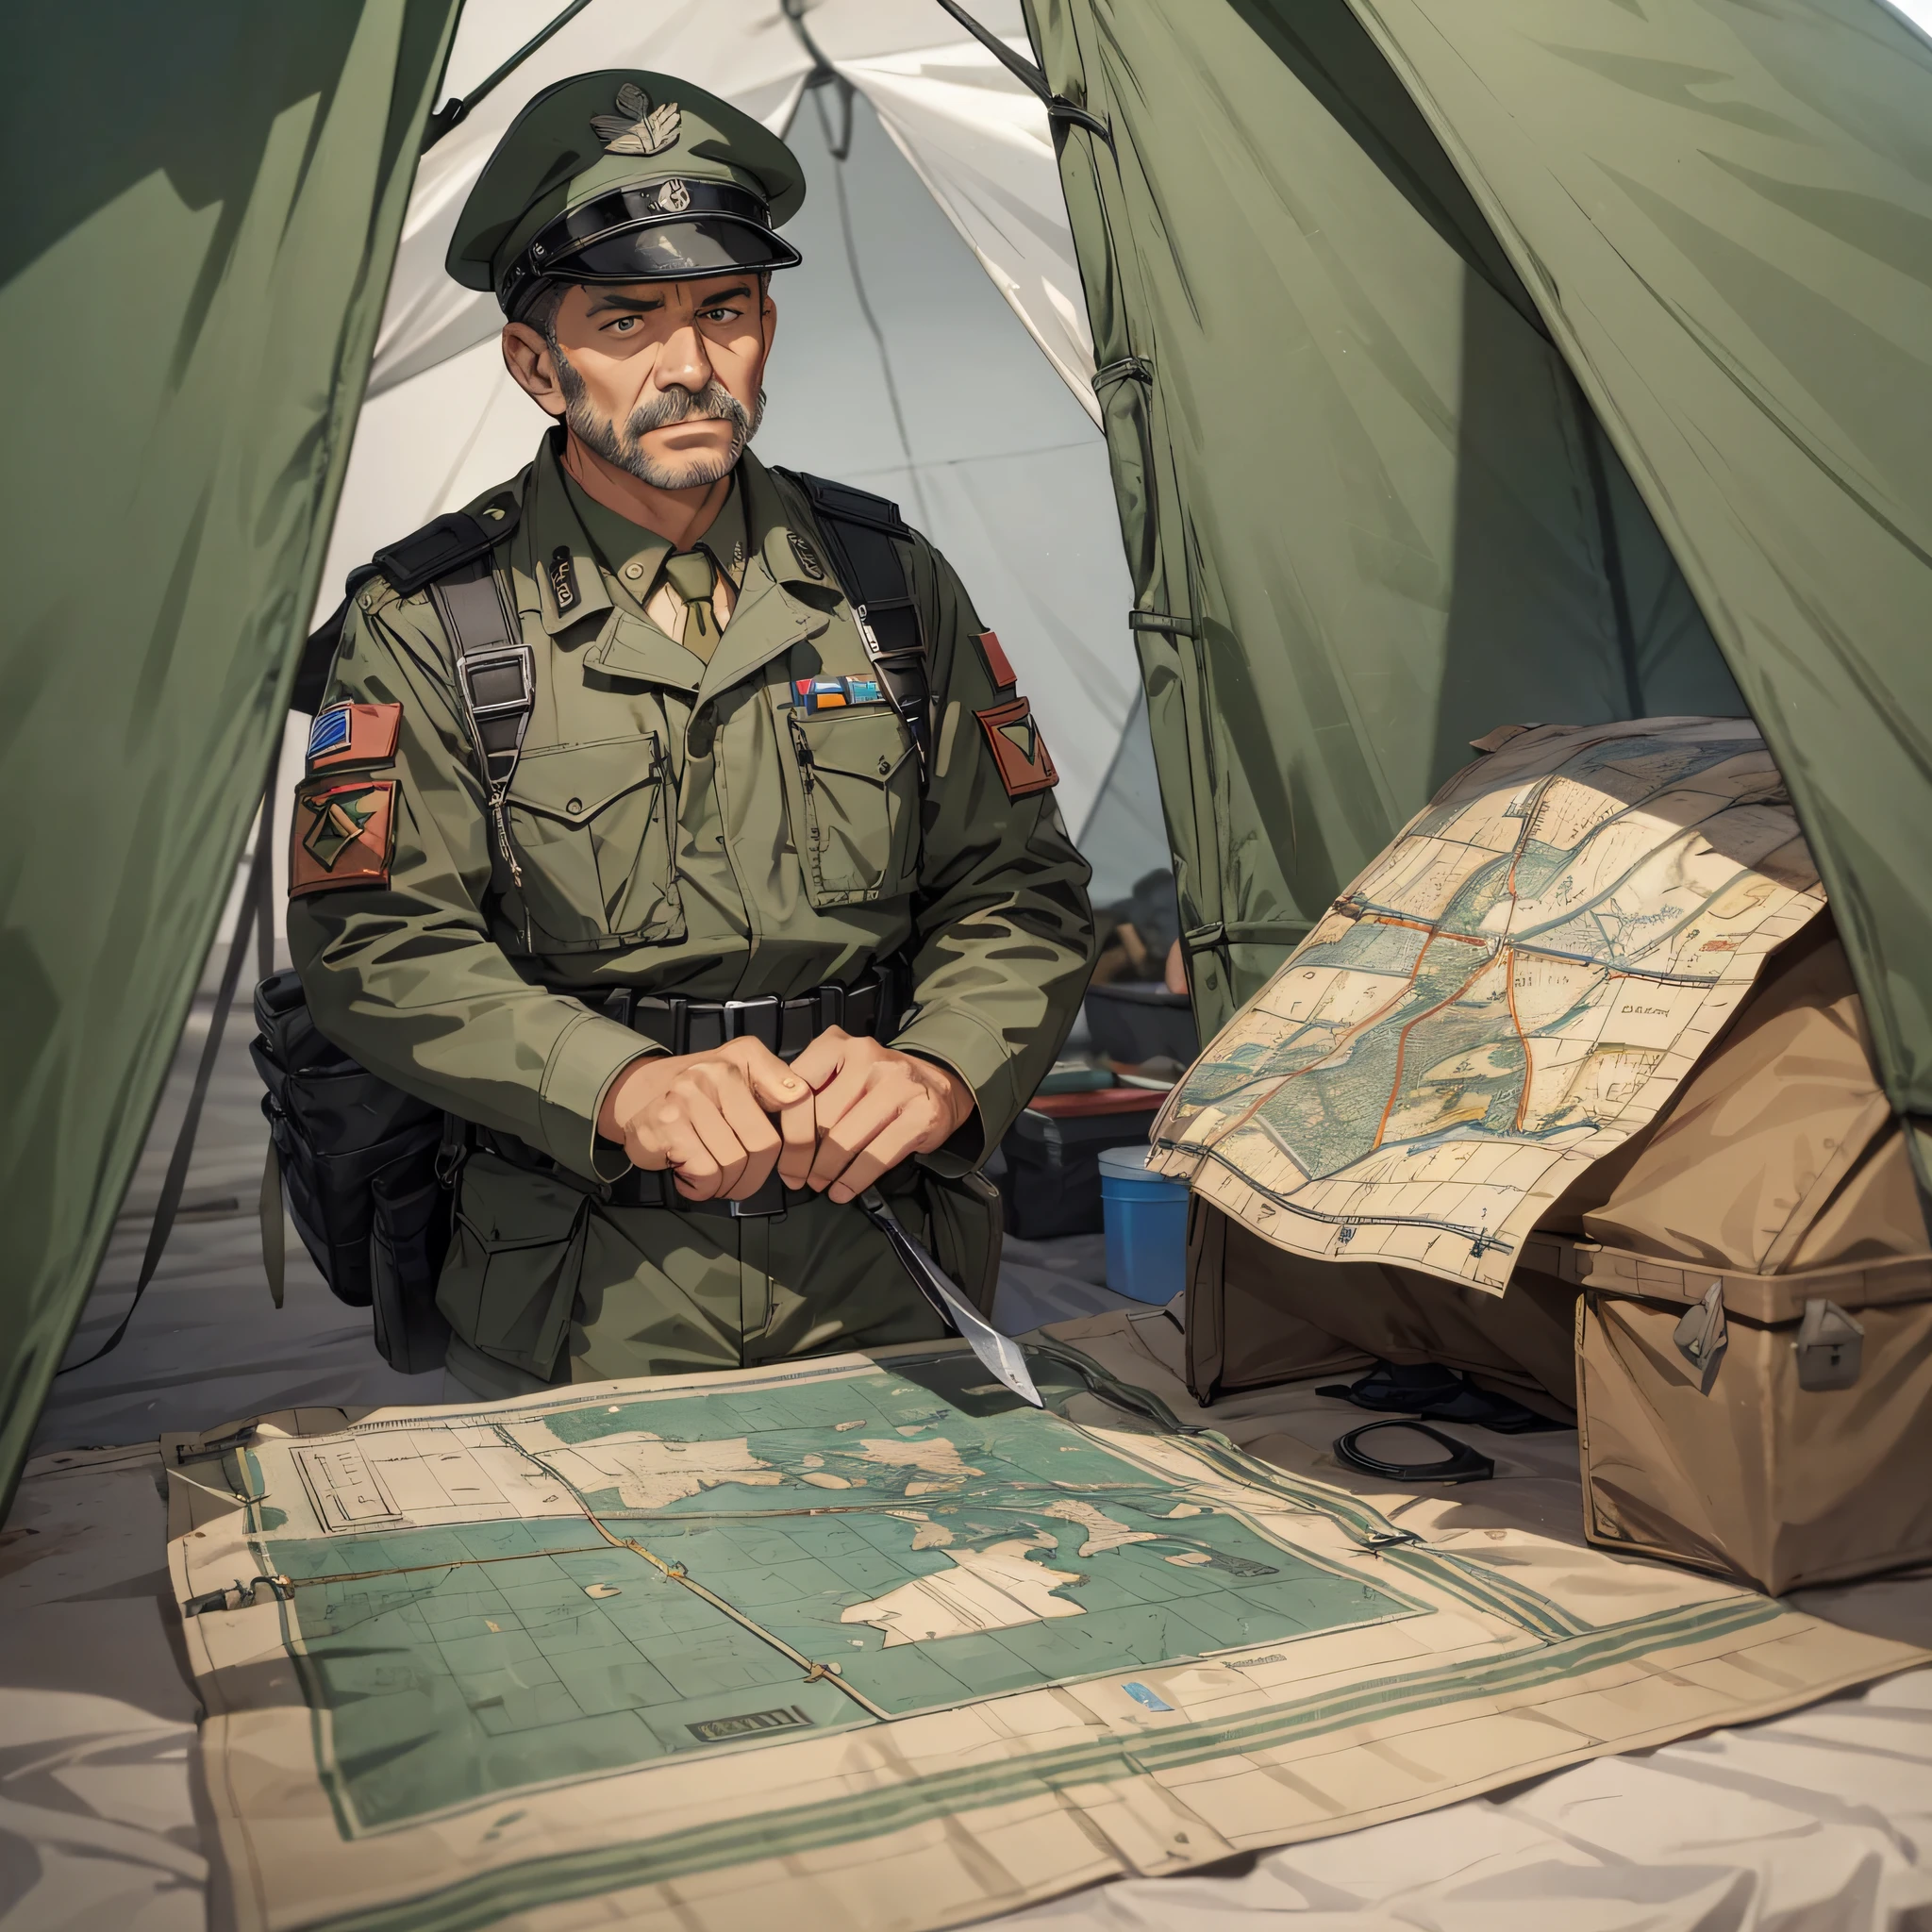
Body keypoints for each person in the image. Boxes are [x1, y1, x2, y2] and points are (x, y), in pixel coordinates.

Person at [287, 71, 1095, 1400]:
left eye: (724, 311)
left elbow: (1019, 888)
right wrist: (610, 1084)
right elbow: (376, 942)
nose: (690, 366)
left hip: (882, 1276)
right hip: (579, 1298)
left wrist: (947, 1066)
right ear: (537, 361)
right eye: (628, 320)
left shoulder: (886, 585)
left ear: (767, 325)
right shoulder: (433, 617)